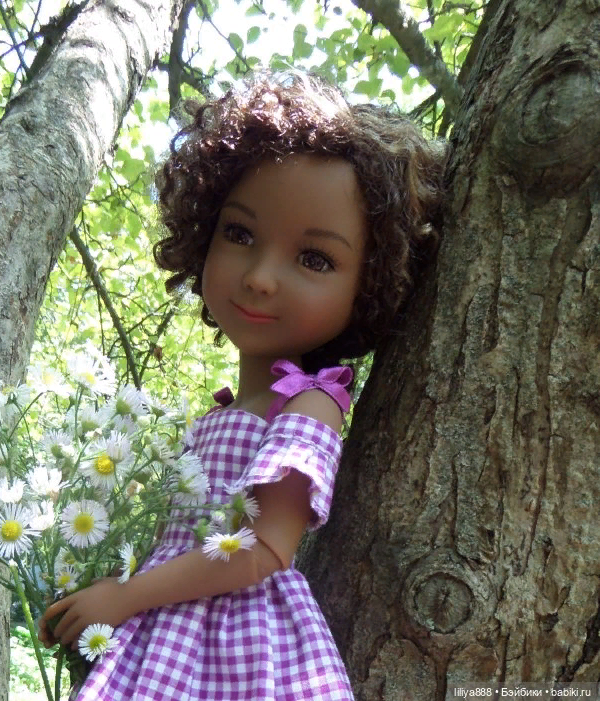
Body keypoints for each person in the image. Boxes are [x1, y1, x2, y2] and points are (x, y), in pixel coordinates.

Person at [39, 71, 445, 699]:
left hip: (234, 645)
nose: (259, 277)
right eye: (240, 234)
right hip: (165, 630)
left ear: (367, 285)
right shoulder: (225, 413)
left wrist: (126, 596)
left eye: (315, 259)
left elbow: (263, 549)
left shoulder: (311, 402)